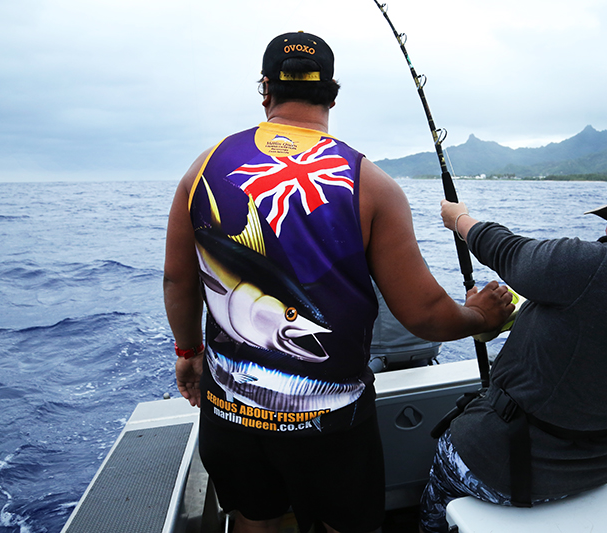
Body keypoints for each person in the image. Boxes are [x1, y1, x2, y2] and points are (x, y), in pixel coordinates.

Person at [163, 31, 515, 533]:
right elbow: (423, 315)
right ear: (332, 93)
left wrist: (187, 352)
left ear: (265, 90)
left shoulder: (203, 168)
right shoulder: (372, 184)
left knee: (254, 520)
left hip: (231, 414)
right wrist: (483, 315)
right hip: (332, 427)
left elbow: (179, 279)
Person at [420, 162, 607, 532]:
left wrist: (460, 219)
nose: (605, 226)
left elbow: (509, 252)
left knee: (439, 490)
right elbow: (599, 327)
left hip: (501, 467)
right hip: (596, 469)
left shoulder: (595, 266)